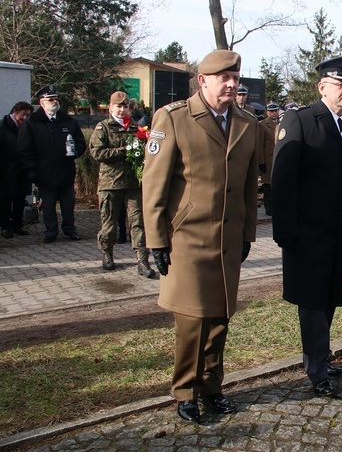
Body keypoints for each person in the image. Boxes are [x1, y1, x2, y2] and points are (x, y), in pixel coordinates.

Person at [142, 50, 261, 422]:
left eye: (235, 78)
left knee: (220, 317)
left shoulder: (246, 122)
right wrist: (156, 240)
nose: (231, 84)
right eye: (222, 78)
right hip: (187, 238)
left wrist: (247, 234)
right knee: (192, 320)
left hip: (227, 238)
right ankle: (184, 392)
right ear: (202, 81)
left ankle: (212, 387)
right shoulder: (174, 117)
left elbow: (246, 186)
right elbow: (154, 184)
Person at [271, 56, 342, 398]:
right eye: (340, 84)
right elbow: (282, 181)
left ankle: (320, 356)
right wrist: (285, 231)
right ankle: (315, 368)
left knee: (329, 295)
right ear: (322, 86)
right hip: (306, 231)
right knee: (311, 299)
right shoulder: (299, 120)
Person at [89, 91, 156, 277]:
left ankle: (143, 261)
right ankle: (107, 254)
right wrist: (124, 150)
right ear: (110, 108)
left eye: (125, 107)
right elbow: (97, 154)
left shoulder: (137, 129)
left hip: (133, 184)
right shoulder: (103, 128)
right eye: (118, 106)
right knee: (109, 224)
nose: (121, 110)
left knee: (138, 223)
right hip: (111, 184)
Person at [17, 85, 86, 243]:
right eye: (50, 99)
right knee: (48, 205)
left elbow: (81, 142)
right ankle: (51, 231)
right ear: (42, 103)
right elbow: (24, 149)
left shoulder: (68, 121)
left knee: (68, 203)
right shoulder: (32, 122)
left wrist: (75, 151)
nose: (54, 102)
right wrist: (32, 170)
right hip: (44, 173)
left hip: (65, 171)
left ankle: (69, 229)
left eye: (56, 99)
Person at [0, 102, 34, 238]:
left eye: (28, 115)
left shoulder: (27, 128)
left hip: (22, 170)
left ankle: (17, 225)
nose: (25, 118)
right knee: (5, 200)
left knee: (20, 199)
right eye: (23, 114)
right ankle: (5, 225)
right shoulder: (3, 126)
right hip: (6, 170)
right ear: (15, 112)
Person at [259, 103, 279, 216]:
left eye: (276, 111)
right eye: (271, 111)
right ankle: (269, 207)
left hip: (278, 158)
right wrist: (261, 161)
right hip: (268, 159)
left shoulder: (281, 123)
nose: (274, 113)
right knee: (268, 185)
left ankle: (276, 205)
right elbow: (260, 144)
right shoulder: (263, 125)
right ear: (267, 112)